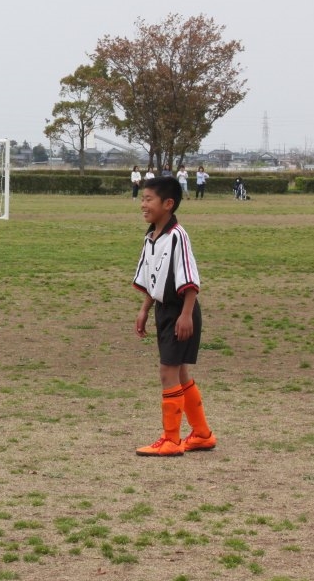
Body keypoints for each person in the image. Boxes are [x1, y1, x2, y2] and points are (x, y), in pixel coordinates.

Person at [132, 176, 216, 456]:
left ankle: (170, 440)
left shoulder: (177, 236)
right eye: (142, 199)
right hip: (163, 310)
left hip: (181, 310)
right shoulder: (151, 237)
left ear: (168, 204)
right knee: (179, 372)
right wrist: (145, 309)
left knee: (167, 372)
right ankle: (202, 434)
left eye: (148, 199)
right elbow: (151, 279)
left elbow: (189, 277)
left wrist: (186, 314)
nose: (143, 205)